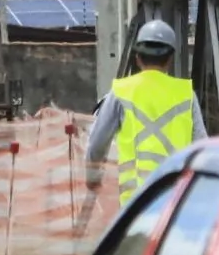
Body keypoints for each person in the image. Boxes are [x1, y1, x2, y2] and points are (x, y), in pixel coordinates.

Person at [84, 19, 205, 202]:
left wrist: (93, 178)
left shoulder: (120, 92)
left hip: (136, 204)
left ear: (138, 58)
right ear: (170, 58)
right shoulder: (186, 94)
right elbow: (202, 146)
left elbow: (97, 142)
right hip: (177, 200)